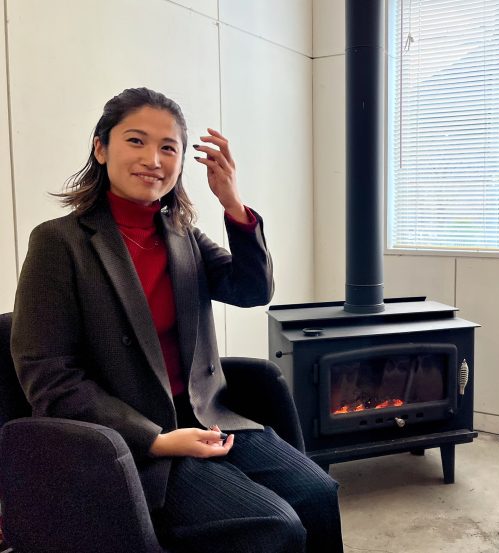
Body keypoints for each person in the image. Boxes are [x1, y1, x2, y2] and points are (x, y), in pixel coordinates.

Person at [11, 87, 343, 553]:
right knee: (276, 524)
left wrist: (233, 204)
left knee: (318, 492)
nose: (153, 159)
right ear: (101, 148)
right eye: (136, 140)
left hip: (209, 417)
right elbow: (50, 377)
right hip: (134, 440)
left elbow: (251, 291)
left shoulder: (182, 235)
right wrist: (157, 441)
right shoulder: (59, 243)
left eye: (168, 148)